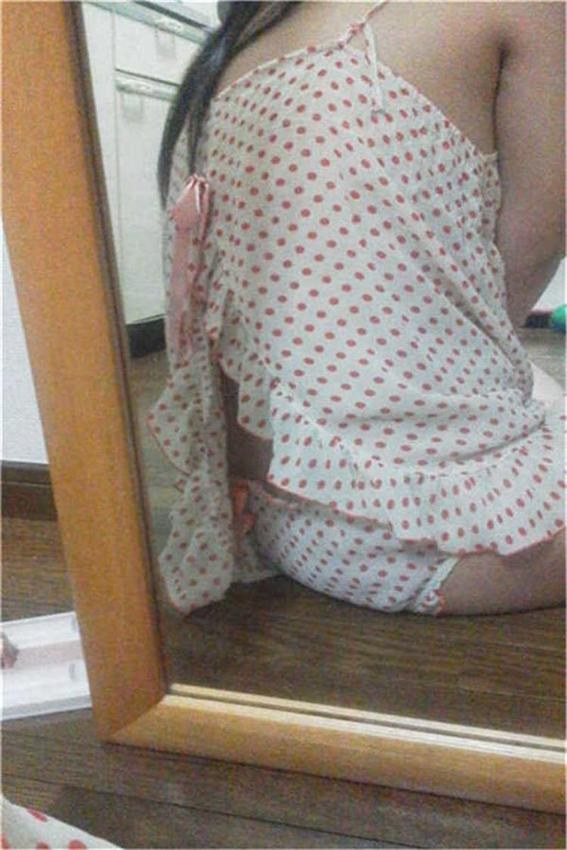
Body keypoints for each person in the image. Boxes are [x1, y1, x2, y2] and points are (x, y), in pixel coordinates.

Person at [147, 1, 565, 618]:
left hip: (273, 509)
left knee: (540, 388)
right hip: (436, 529)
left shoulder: (236, 43)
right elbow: (532, 249)